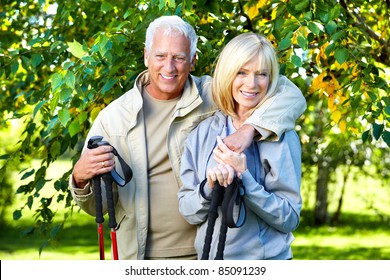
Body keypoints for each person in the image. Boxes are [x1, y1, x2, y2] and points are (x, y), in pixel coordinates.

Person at [69, 16, 306, 260]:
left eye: (179, 58)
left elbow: (290, 95)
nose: (169, 67)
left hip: (203, 254)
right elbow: (98, 205)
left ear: (192, 61)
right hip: (141, 254)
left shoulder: (215, 94)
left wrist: (248, 131)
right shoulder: (113, 118)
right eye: (160, 56)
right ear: (146, 56)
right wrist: (79, 178)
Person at [178, 33, 303, 260]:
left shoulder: (282, 137)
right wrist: (209, 186)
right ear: (228, 74)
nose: (252, 84)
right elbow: (188, 210)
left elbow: (289, 218)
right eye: (242, 73)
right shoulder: (202, 133)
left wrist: (244, 178)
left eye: (261, 74)